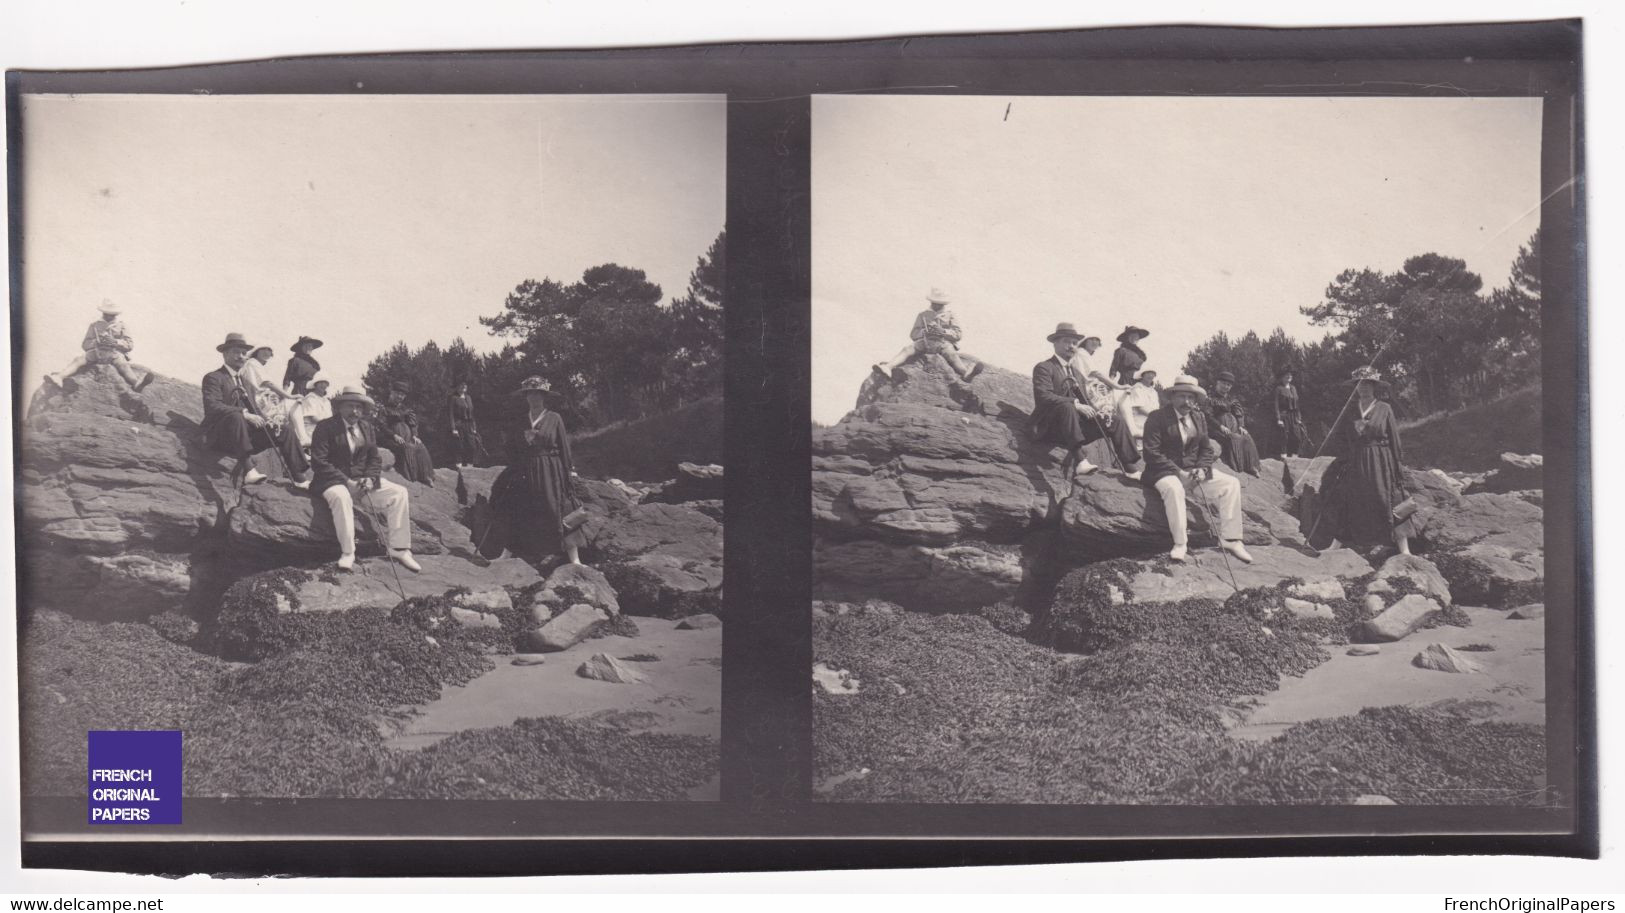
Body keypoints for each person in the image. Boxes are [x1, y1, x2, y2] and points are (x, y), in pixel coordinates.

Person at [1140, 374, 1253, 564]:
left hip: (1194, 471)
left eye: (1191, 397)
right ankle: (1180, 544)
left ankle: (1231, 539)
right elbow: (1151, 453)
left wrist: (1201, 469)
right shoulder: (1157, 417)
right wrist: (1179, 473)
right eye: (1182, 396)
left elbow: (1206, 449)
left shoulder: (1199, 417)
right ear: (1172, 396)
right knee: (1174, 489)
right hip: (1163, 471)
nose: (1187, 401)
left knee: (1231, 483)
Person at [308, 385, 421, 572]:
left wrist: (370, 479)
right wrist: (347, 482)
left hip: (362, 481)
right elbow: (319, 462)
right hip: (331, 481)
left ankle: (399, 549)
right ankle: (348, 552)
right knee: (341, 496)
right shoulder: (325, 427)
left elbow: (374, 459)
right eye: (350, 406)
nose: (355, 411)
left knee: (399, 493)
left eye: (359, 407)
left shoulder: (367, 427)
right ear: (340, 407)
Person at [1319, 366, 1412, 556]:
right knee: (1350, 499)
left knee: (1387, 498)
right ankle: (1336, 545)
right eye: (1360, 385)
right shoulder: (1350, 410)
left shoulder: (1384, 408)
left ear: (1374, 386)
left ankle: (1404, 549)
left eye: (1368, 384)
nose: (1364, 388)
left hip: (1381, 459)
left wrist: (1397, 466)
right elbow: (1341, 439)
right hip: (1357, 460)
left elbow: (1395, 439)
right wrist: (1344, 460)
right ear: (1356, 387)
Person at [1031, 323, 1141, 481]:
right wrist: (1075, 404)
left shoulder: (1076, 372)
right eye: (1066, 341)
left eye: (1074, 343)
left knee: (1114, 420)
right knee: (1067, 406)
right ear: (1055, 344)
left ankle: (1130, 468)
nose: (1071, 346)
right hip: (1050, 428)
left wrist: (1100, 412)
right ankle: (1081, 461)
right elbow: (1043, 396)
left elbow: (1086, 400)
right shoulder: (1044, 367)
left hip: (1073, 428)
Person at [495, 375, 586, 566]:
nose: (534, 398)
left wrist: (569, 470)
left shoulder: (554, 418)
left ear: (544, 397)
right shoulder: (521, 421)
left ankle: (574, 557)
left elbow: (563, 446)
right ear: (526, 397)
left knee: (558, 508)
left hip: (550, 468)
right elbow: (511, 447)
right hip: (526, 468)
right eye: (530, 394)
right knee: (520, 508)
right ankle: (508, 552)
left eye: (538, 394)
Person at [200, 333, 278, 488]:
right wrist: (243, 413)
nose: (241, 356)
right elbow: (212, 406)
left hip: (241, 435)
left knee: (284, 430)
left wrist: (269, 417)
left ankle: (299, 478)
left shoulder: (244, 382)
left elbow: (254, 408)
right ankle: (250, 471)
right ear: (225, 354)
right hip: (219, 436)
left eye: (244, 353)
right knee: (236, 416)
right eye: (236, 352)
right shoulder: (214, 377)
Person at [872, 287, 983, 382]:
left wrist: (943, 332)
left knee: (952, 355)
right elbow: (913, 334)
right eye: (934, 302)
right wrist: (924, 332)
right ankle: (888, 367)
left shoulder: (950, 315)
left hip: (943, 343)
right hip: (925, 342)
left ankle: (965, 373)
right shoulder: (923, 315)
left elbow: (958, 334)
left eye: (938, 303)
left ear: (943, 304)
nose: (935, 305)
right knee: (907, 349)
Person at [45, 300, 151, 391]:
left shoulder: (122, 326)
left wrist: (115, 342)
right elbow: (85, 344)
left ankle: (136, 383)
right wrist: (97, 342)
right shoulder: (94, 325)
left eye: (111, 314)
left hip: (114, 354)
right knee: (78, 360)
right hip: (96, 352)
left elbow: (130, 345)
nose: (108, 316)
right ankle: (59, 377)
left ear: (115, 314)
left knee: (123, 365)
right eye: (106, 313)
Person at [377, 382, 437, 486]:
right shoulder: (384, 409)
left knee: (420, 446)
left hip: (407, 437)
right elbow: (382, 426)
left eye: (402, 395)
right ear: (392, 393)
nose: (399, 397)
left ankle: (426, 476)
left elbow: (413, 424)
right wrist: (394, 435)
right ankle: (413, 476)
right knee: (407, 447)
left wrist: (414, 435)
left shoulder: (406, 409)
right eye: (397, 394)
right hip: (390, 438)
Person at [1206, 371, 1262, 477]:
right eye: (1224, 383)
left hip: (1233, 427)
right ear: (1218, 383)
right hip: (1216, 428)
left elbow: (1239, 414)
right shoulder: (1210, 398)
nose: (1226, 387)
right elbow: (1208, 416)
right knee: (1235, 438)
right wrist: (1220, 426)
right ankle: (1239, 467)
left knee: (1246, 436)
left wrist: (1241, 426)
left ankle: (1252, 466)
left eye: (1229, 385)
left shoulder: (1231, 400)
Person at [282, 372, 332, 489]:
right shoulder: (310, 398)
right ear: (315, 385)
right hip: (312, 429)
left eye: (325, 383)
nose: (323, 385)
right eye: (320, 383)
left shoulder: (327, 401)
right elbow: (312, 418)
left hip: (325, 428)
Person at [1070, 333, 1128, 420]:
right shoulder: (1082, 352)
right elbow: (1095, 373)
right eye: (1091, 339)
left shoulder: (1084, 354)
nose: (1094, 342)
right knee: (1121, 396)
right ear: (1085, 341)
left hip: (1090, 388)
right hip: (1089, 390)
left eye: (1097, 340)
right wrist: (1118, 386)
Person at [244, 346, 296, 434]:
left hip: (263, 401)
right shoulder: (253, 362)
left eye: (269, 350)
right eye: (263, 350)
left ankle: (298, 439)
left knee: (289, 413)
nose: (266, 352)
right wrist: (288, 396)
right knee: (294, 403)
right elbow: (266, 383)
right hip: (258, 403)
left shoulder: (255, 365)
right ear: (256, 352)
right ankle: (301, 438)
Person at [1116, 367, 1163, 458]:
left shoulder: (1154, 391)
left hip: (1152, 418)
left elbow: (1157, 407)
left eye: (1152, 373)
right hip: (1140, 419)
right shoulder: (1137, 388)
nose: (1150, 375)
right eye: (1148, 373)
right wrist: (1156, 417)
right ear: (1142, 376)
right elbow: (1140, 408)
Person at [1274, 366, 1309, 457]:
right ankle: (1283, 457)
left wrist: (1299, 417)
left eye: (1290, 375)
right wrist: (1278, 419)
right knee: (1284, 437)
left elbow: (1297, 404)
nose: (1289, 376)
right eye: (1287, 375)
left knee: (1297, 437)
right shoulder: (1279, 389)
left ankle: (1295, 456)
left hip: (1294, 416)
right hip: (1284, 415)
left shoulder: (1293, 388)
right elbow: (1276, 405)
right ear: (1282, 377)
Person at [448, 382, 480, 467]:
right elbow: (451, 414)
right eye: (461, 387)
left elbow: (472, 413)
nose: (463, 388)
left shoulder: (468, 397)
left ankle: (470, 464)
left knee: (472, 445)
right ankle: (459, 464)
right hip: (459, 424)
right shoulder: (453, 398)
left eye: (465, 387)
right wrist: (453, 428)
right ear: (457, 388)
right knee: (459, 445)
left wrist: (474, 427)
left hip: (469, 424)